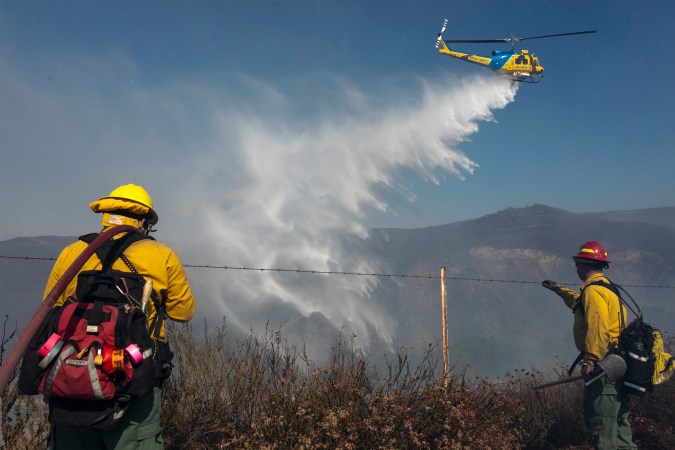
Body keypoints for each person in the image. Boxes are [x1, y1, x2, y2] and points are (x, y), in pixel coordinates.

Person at [43, 183, 196, 449]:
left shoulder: (71, 253)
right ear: (144, 220)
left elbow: (49, 310)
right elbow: (183, 313)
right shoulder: (161, 255)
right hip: (133, 379)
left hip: (72, 379)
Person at [542, 241, 636, 450]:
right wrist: (561, 291)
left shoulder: (593, 292)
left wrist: (591, 360)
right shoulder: (607, 289)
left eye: (577, 265)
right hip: (616, 367)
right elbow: (581, 305)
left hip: (603, 369)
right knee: (620, 432)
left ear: (582, 266)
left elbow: (598, 327)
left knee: (603, 430)